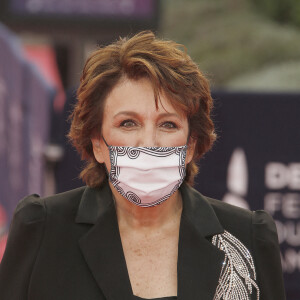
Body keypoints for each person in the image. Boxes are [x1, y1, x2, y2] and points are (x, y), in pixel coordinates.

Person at [0, 31, 285, 300]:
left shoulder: (247, 236)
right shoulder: (43, 229)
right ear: (98, 143)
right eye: (128, 123)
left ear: (190, 145)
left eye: (168, 124)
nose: (148, 142)